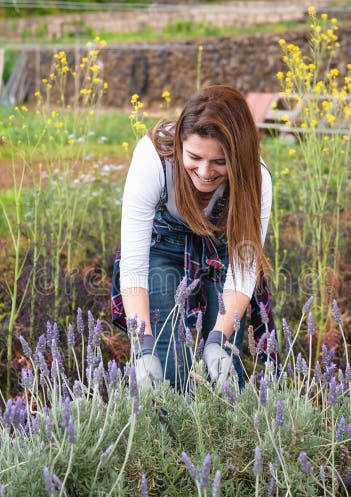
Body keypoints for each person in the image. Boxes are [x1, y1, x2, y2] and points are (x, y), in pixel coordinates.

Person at [111, 84, 276, 391]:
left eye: (219, 162)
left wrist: (218, 339)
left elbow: (243, 272)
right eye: (195, 156)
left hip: (223, 250)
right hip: (164, 247)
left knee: (226, 364)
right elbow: (134, 268)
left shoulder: (257, 178)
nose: (204, 171)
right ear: (179, 143)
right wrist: (143, 346)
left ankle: (228, 436)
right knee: (167, 362)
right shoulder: (153, 159)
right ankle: (167, 436)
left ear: (238, 157)